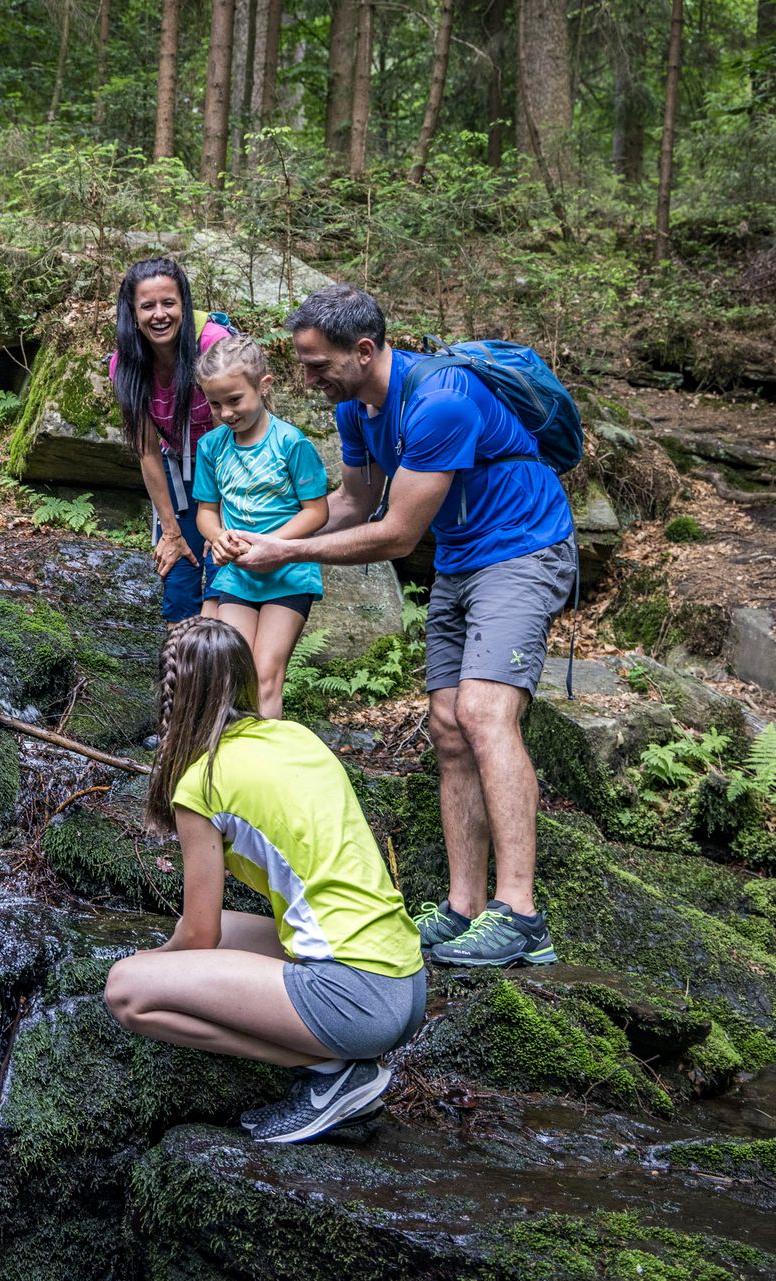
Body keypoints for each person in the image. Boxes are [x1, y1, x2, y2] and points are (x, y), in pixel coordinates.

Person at [222, 282, 576, 968]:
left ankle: (522, 914)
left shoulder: (441, 401)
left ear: (363, 349)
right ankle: (463, 907)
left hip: (525, 548)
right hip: (463, 557)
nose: (305, 376)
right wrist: (258, 534)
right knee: (447, 725)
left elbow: (394, 533)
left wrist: (288, 553)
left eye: (316, 362)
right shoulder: (358, 407)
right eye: (300, 361)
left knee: (483, 709)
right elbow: (354, 501)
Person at [104, 618, 426, 1144]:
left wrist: (151, 964)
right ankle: (341, 1057)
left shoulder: (201, 782)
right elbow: (209, 932)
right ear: (244, 677)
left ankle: (333, 1070)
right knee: (214, 931)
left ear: (174, 695)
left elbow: (198, 938)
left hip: (358, 1000)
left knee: (126, 991)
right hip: (405, 983)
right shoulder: (294, 737)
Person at [191, 335, 330, 718]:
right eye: (215, 403)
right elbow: (206, 512)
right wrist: (218, 538)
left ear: (263, 386)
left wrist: (272, 546)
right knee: (232, 673)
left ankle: (268, 766)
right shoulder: (212, 447)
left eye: (235, 400)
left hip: (289, 573)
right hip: (238, 575)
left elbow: (317, 512)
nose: (226, 412)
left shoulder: (291, 443)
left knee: (266, 674)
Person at [109, 257, 233, 623]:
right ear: (133, 314)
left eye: (169, 303)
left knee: (224, 581)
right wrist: (172, 532)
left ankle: (226, 672)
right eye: (147, 306)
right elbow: (147, 451)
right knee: (179, 581)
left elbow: (228, 436)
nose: (159, 314)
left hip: (230, 470)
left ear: (184, 305)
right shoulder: (125, 364)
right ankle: (181, 673)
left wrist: (219, 520)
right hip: (176, 470)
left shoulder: (212, 344)